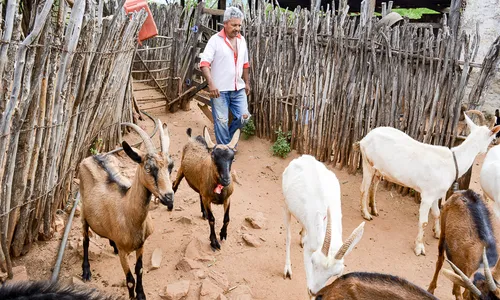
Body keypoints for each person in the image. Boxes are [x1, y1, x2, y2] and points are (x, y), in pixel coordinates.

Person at [199, 6, 251, 146]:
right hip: (219, 90)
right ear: (225, 23)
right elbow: (204, 63)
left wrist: (246, 82)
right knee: (221, 120)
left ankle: (227, 144)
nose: (237, 28)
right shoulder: (215, 40)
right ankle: (224, 149)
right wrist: (211, 84)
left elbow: (245, 64)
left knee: (244, 118)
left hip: (238, 88)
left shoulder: (242, 41)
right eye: (234, 25)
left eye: (239, 25)